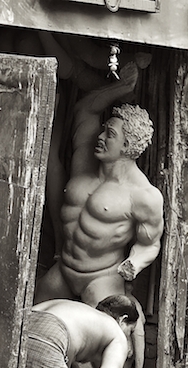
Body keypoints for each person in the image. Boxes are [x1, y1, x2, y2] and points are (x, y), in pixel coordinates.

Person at [33, 86, 164, 307]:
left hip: (101, 277)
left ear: (127, 145)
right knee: (31, 320)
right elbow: (84, 109)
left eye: (110, 134)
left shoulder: (143, 195)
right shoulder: (83, 164)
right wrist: (123, 85)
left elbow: (150, 243)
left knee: (111, 334)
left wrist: (135, 263)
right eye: (104, 130)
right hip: (64, 269)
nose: (100, 137)